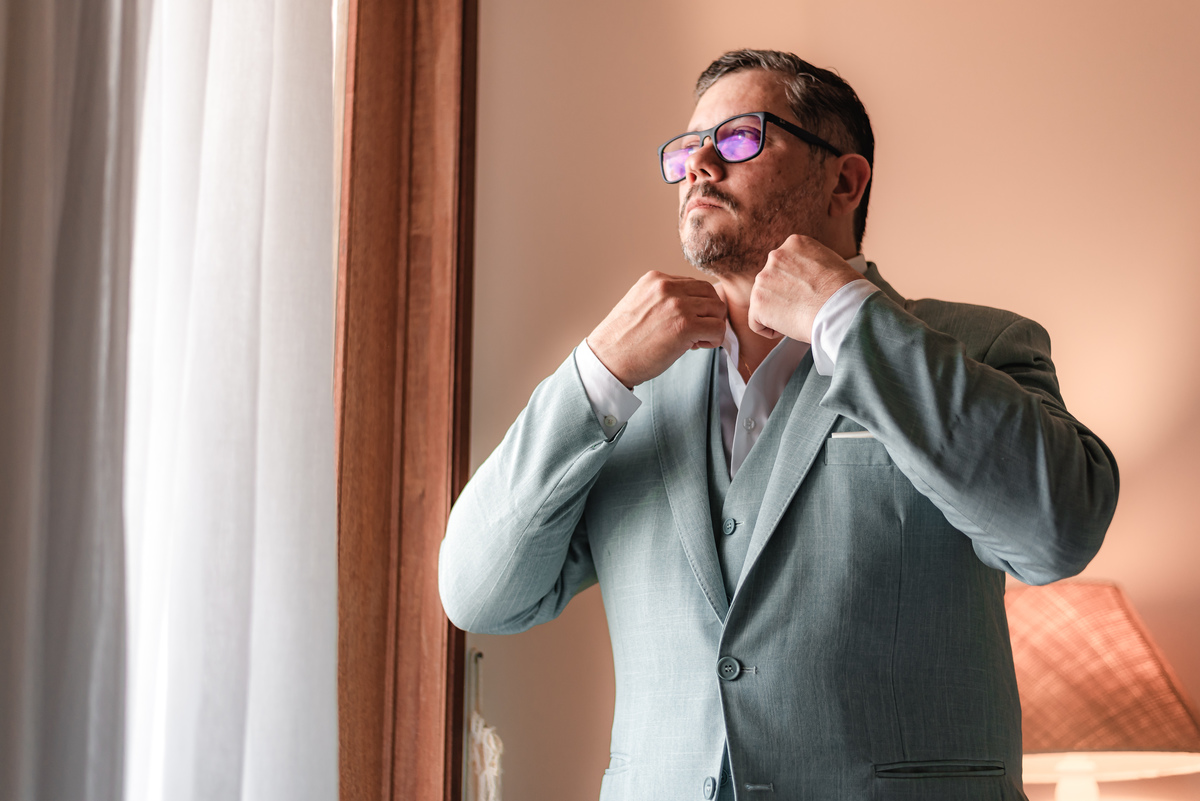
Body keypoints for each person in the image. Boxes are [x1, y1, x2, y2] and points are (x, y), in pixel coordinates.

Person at [439, 49, 1118, 801]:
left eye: (737, 138)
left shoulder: (983, 347)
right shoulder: (628, 393)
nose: (698, 162)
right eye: (686, 147)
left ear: (844, 179)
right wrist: (595, 372)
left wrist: (847, 319)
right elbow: (479, 593)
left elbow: (1056, 531)